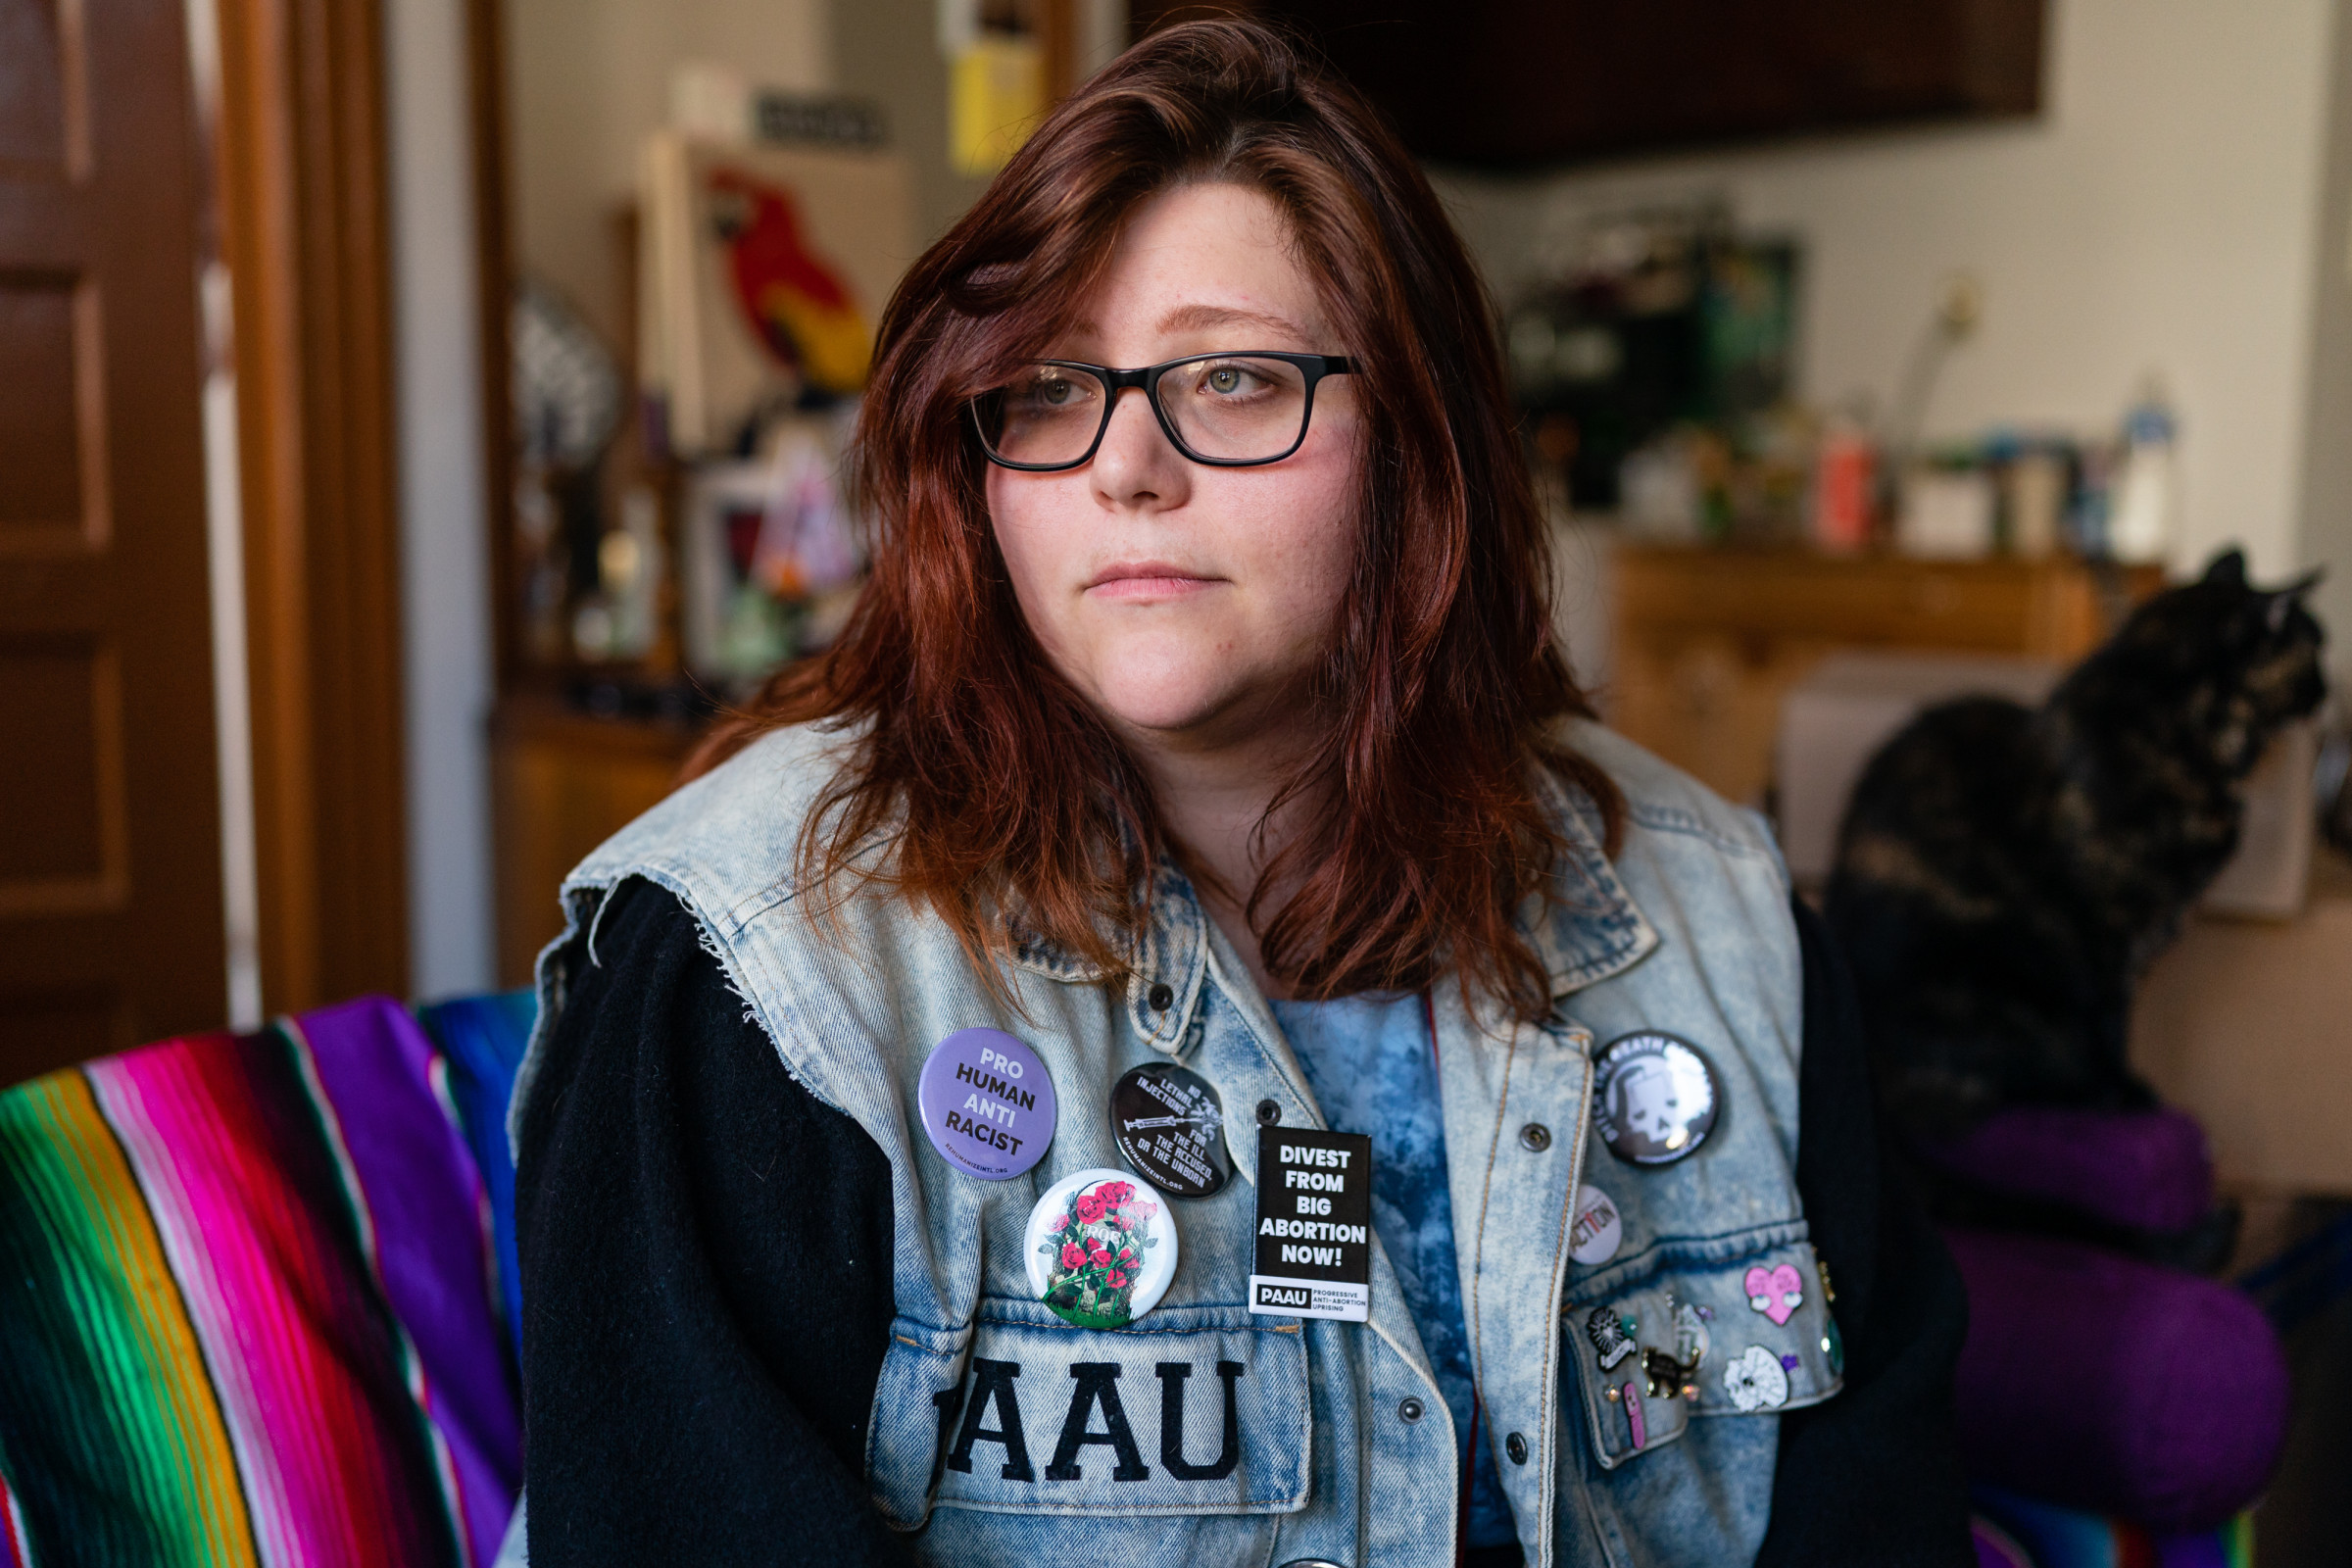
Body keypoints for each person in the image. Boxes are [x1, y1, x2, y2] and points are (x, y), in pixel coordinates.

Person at [510, 20, 1972, 1567]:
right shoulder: (745, 970)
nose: (1126, 466)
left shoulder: (1726, 914)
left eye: (1231, 378)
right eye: (1050, 389)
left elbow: (1875, 1504)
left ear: (1420, 452)